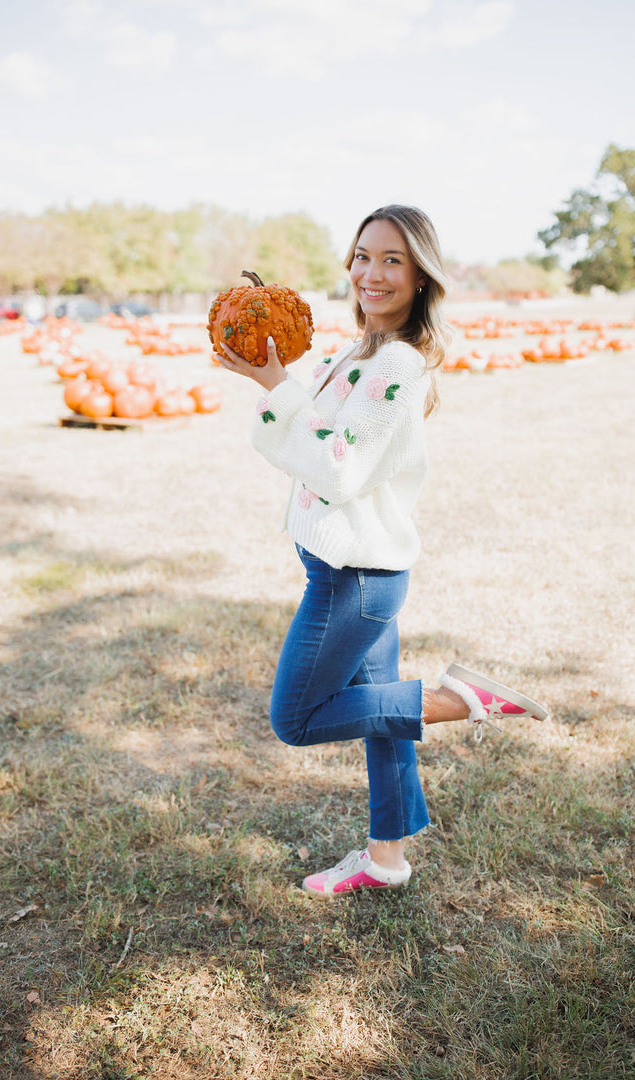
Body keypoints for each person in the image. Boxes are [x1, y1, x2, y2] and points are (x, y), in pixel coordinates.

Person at [216, 205, 547, 899]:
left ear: (421, 275)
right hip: (356, 565)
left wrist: (278, 391)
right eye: (364, 255)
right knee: (382, 716)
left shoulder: (397, 363)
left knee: (297, 718)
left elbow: (336, 468)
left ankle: (460, 698)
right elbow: (320, 443)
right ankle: (385, 860)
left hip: (354, 577)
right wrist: (274, 382)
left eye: (393, 259)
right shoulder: (362, 349)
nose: (371, 271)